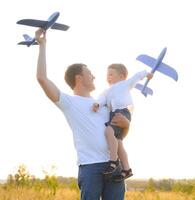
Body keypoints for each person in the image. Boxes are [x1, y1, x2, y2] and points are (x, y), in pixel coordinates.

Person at [35, 28, 129, 200]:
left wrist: (127, 125)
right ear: (79, 78)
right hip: (90, 167)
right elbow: (42, 78)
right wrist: (42, 45)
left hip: (114, 166)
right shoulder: (69, 103)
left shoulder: (104, 102)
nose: (94, 76)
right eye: (89, 73)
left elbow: (119, 135)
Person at [92, 64, 152, 182]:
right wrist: (97, 104)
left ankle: (113, 160)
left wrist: (146, 73)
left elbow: (135, 77)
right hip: (114, 113)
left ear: (122, 76)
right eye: (107, 75)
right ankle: (127, 169)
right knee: (118, 142)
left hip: (123, 112)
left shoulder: (124, 85)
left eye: (111, 74)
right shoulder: (107, 91)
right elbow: (102, 99)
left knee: (109, 131)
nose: (108, 77)